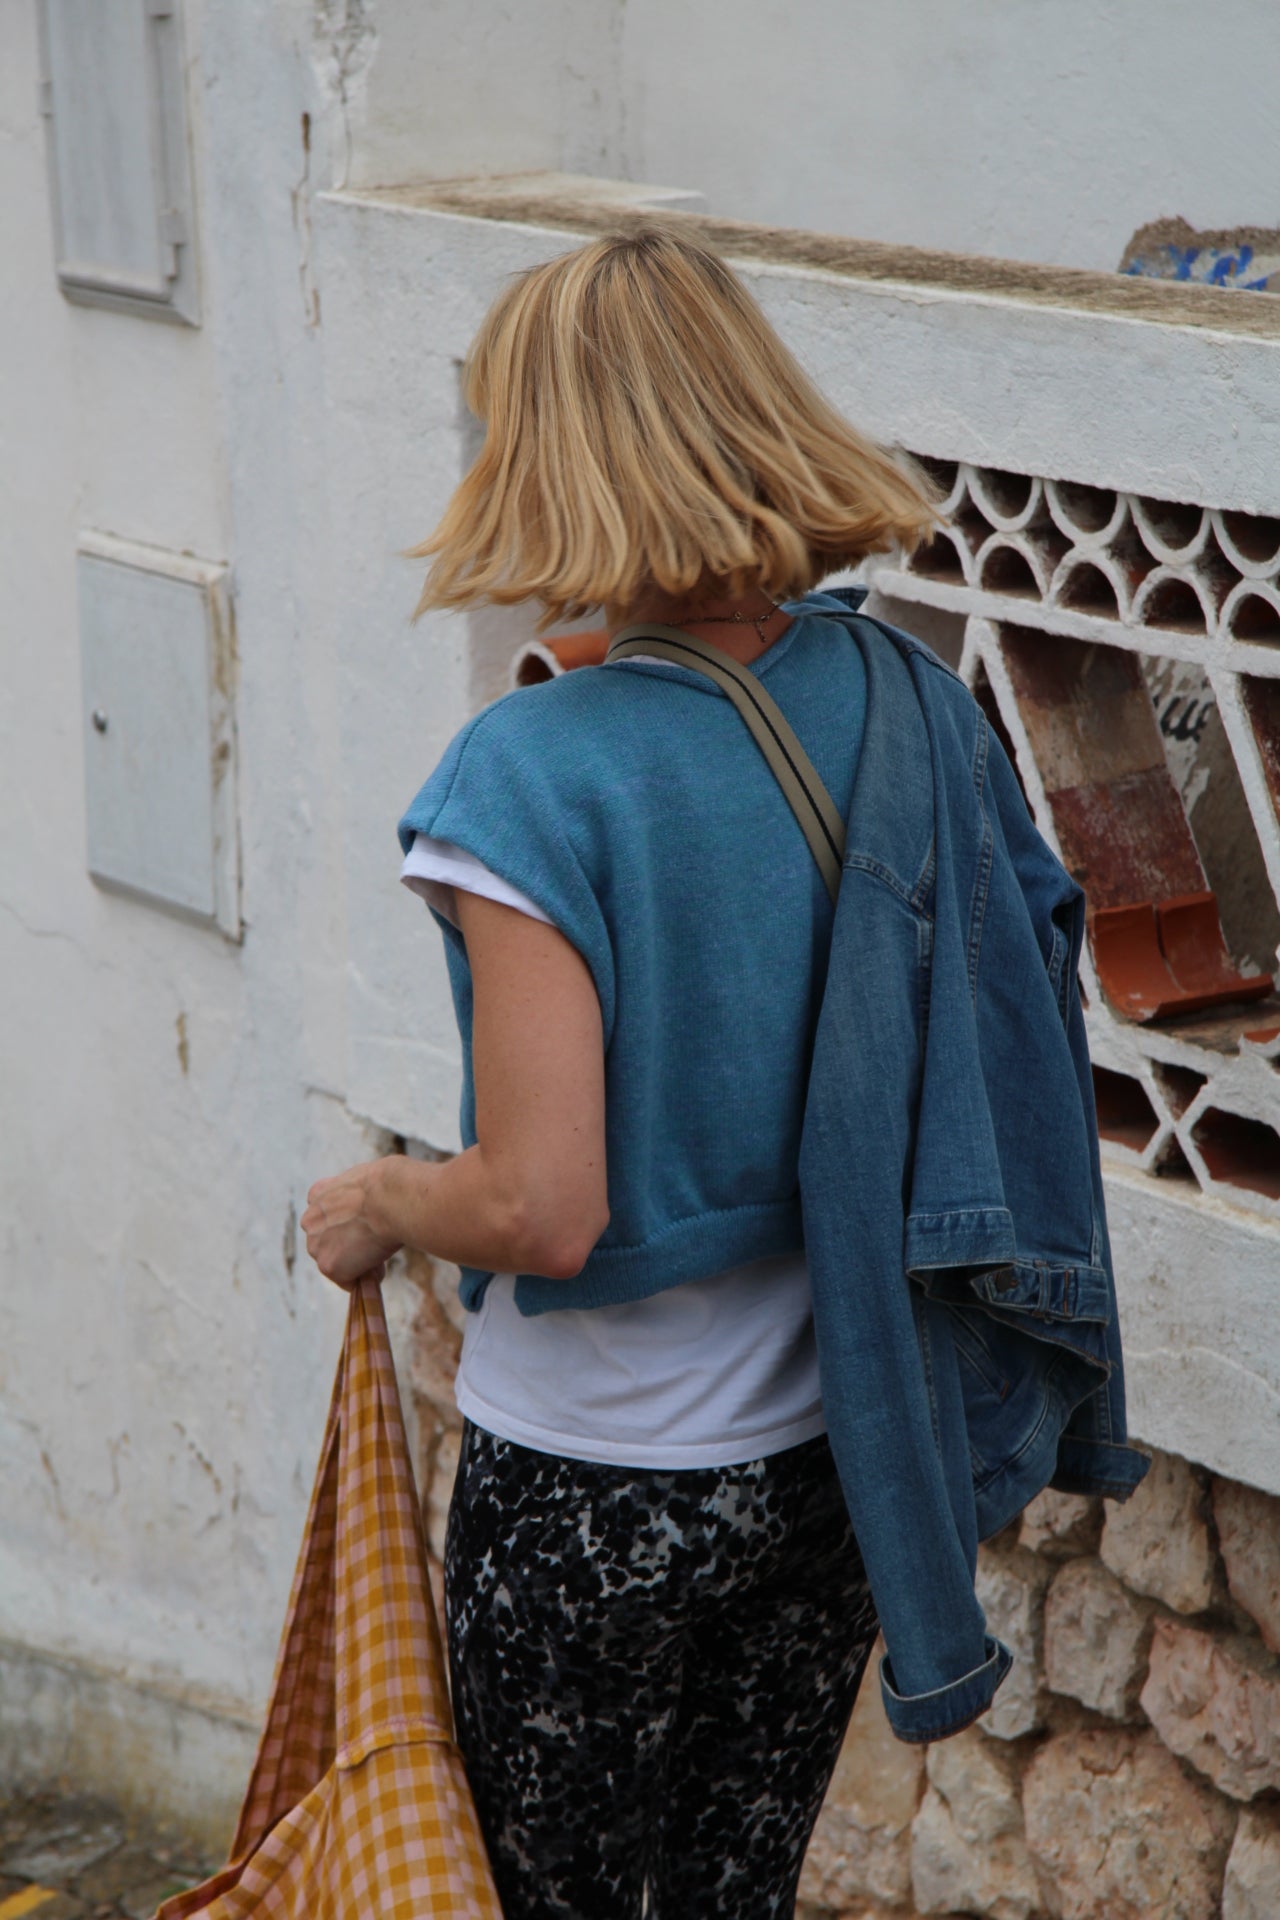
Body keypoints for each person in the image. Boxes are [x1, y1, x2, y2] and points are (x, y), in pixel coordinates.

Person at [300, 224, 940, 1920]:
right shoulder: (895, 697)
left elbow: (542, 1204)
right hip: (827, 1453)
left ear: (552, 452)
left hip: (594, 1487)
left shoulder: (526, 778)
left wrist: (376, 1201)